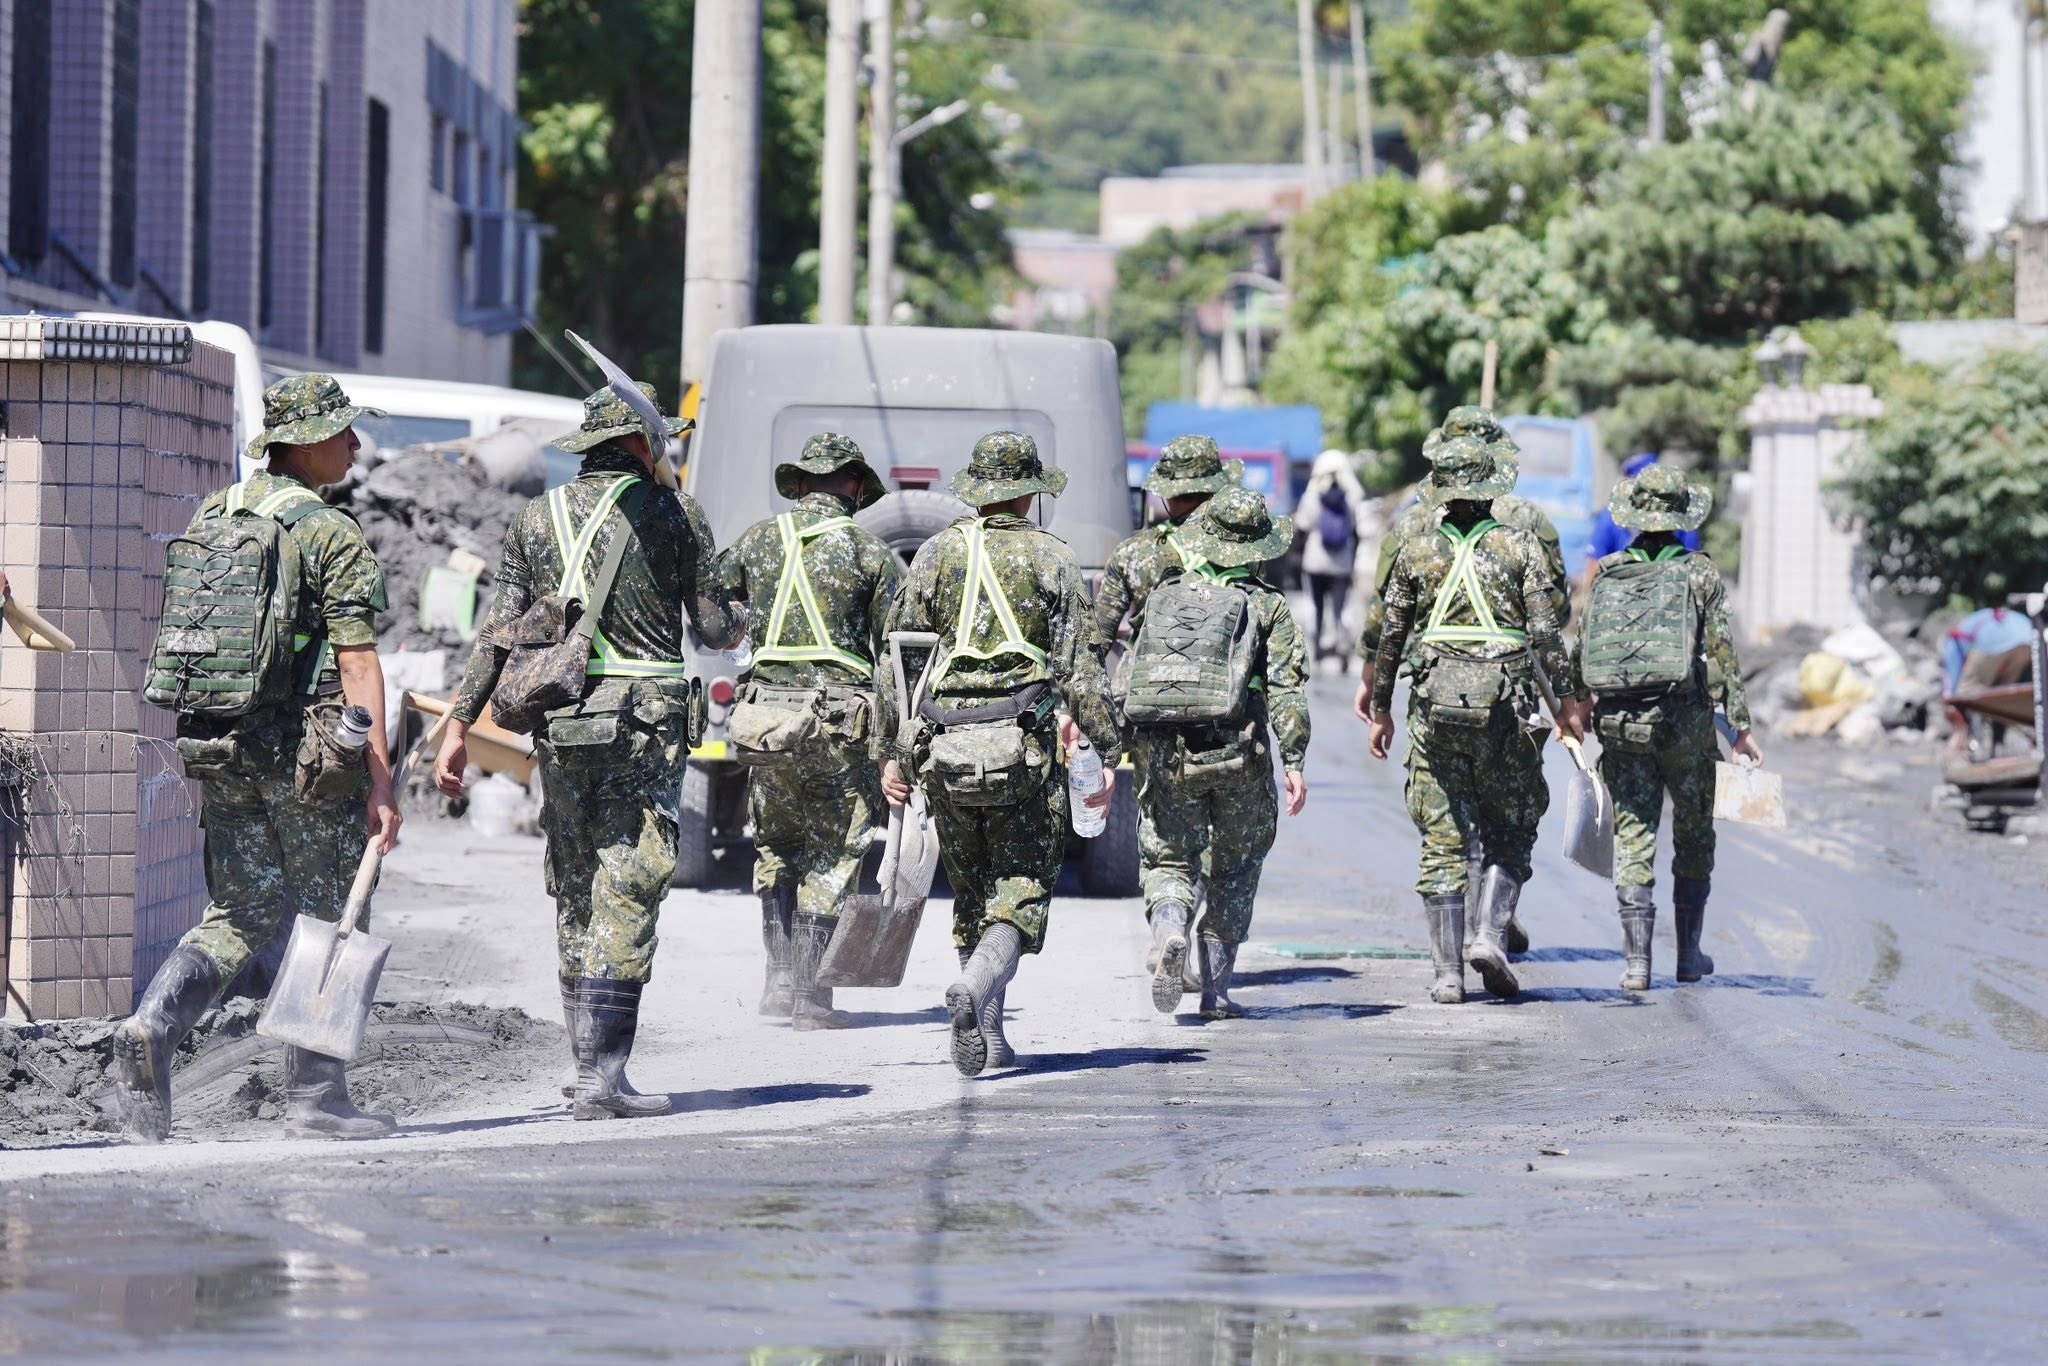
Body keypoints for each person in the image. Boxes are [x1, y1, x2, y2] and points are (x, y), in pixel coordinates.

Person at [436, 382, 739, 1119]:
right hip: (643, 724)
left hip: (562, 723)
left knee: (576, 881)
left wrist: (455, 727)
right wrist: (737, 603)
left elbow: (497, 637)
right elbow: (714, 630)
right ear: (641, 443)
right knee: (628, 881)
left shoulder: (534, 521)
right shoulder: (674, 515)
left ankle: (584, 1068)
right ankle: (605, 1077)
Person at [115, 375, 399, 1143]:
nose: (355, 444)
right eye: (342, 431)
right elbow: (358, 666)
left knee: (238, 911)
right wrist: (381, 778)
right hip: (307, 755)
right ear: (304, 442)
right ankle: (317, 1098)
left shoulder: (216, 512)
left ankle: (151, 1027)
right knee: (334, 912)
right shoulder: (329, 532)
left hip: (219, 743)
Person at [877, 432, 1121, 1076]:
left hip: (945, 751)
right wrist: (1110, 749)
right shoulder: (1055, 562)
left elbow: (896, 662)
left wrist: (894, 753)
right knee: (1019, 894)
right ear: (1031, 492)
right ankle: (979, 992)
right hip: (1023, 756)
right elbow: (1083, 672)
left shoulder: (931, 555)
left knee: (972, 893)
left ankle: (990, 1033)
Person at [1367, 436, 1582, 1004]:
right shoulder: (1520, 546)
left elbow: (1391, 637)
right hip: (1506, 709)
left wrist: (1380, 710)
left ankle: (1446, 975)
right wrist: (1569, 704)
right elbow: (1543, 635)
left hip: (1433, 709)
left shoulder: (1415, 547)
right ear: (1493, 487)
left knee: (1443, 837)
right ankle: (1488, 934)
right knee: (1511, 827)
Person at [715, 433, 899, 1030]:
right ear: (851, 485)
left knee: (775, 849)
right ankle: (812, 1000)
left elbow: (718, 614)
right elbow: (894, 655)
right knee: (833, 854)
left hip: (767, 721)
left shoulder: (758, 540)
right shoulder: (872, 555)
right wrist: (896, 747)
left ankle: (778, 985)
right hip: (839, 726)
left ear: (801, 485)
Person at [1124, 487, 1310, 1018]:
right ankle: (1216, 993)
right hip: (1240, 752)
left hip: (1167, 750)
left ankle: (1169, 929)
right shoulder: (1268, 605)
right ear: (1256, 548)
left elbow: (1135, 673)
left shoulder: (1170, 594)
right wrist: (1294, 760)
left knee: (1168, 856)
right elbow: (1288, 690)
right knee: (1235, 864)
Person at [1573, 465, 1759, 990]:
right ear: (1680, 517)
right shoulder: (1699, 572)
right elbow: (1722, 653)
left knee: (1633, 834)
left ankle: (1636, 964)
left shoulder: (1608, 570)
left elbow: (1583, 644)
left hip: (1621, 724)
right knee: (1694, 833)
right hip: (1687, 724)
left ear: (1633, 517)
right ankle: (1688, 954)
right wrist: (1741, 728)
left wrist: (1578, 706)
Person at [1092, 435, 1242, 1001]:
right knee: (1222, 842)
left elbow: (1097, 641)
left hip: (1153, 717)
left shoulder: (1135, 554)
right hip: (1226, 721)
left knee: (1165, 844)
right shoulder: (1240, 552)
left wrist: (1091, 721)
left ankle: (1169, 928)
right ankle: (1211, 976)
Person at [1294, 449, 1366, 668]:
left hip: (1315, 561)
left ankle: (1315, 643)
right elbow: (1355, 526)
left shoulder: (1311, 497)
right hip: (1342, 562)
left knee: (1315, 605)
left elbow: (1303, 525)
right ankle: (1343, 643)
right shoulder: (1352, 497)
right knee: (1341, 607)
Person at [1941, 606, 2037, 758]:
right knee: (2004, 697)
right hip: (2027, 641)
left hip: (1991, 641)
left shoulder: (1953, 642)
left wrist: (1952, 699)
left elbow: (1953, 679)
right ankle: (1998, 744)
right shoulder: (1981, 619)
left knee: (1968, 694)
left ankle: (1974, 744)